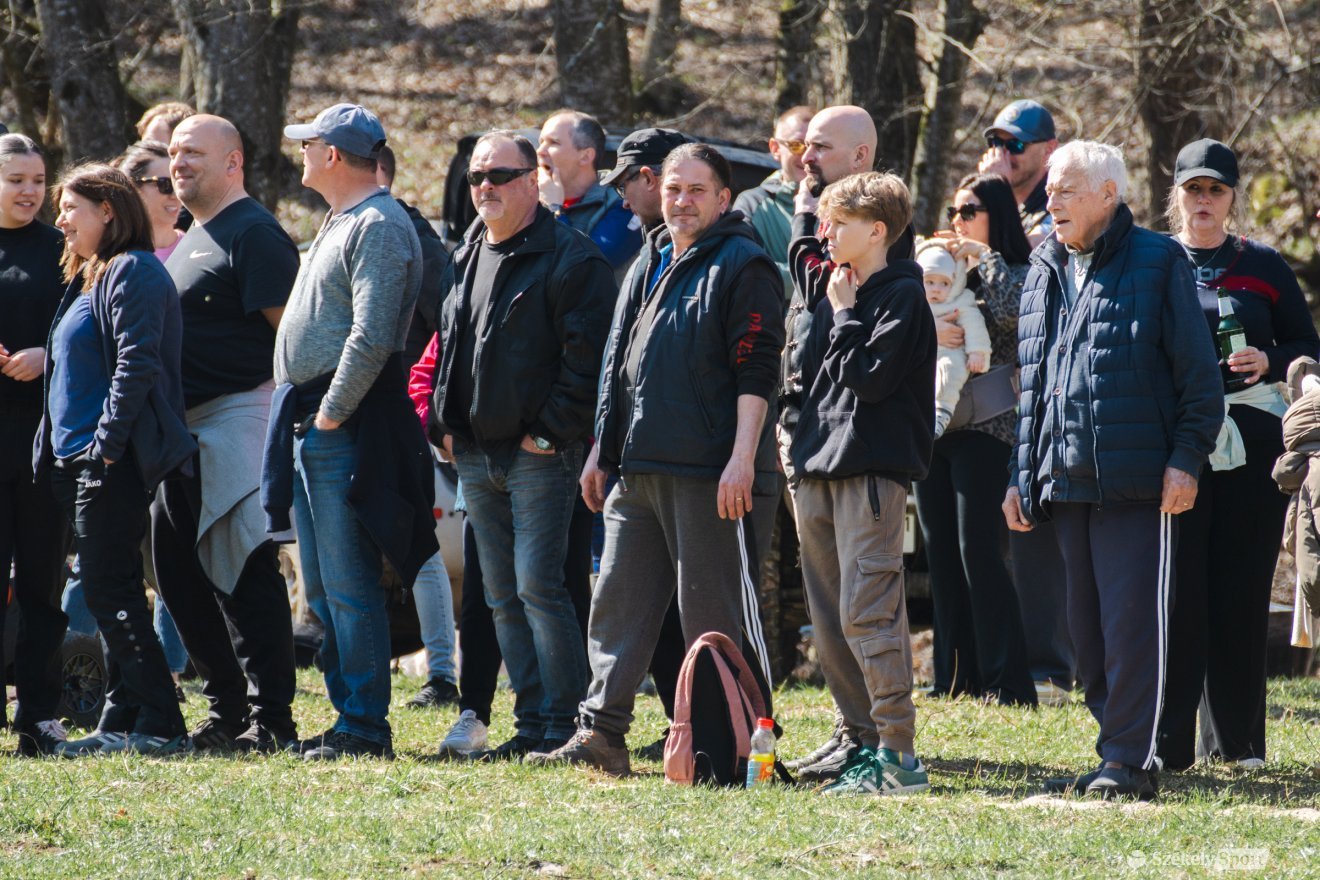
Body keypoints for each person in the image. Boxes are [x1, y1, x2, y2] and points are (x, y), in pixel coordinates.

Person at [531, 143, 785, 777]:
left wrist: (742, 461)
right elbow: (621, 365)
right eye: (674, 188)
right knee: (616, 604)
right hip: (636, 471)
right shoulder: (650, 256)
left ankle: (734, 747)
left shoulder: (743, 263)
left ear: (724, 199)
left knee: (715, 616)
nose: (682, 201)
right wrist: (601, 450)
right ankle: (601, 735)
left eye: (697, 190)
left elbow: (758, 370)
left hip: (710, 474)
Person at [1003, 141, 1223, 799]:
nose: (1052, 200)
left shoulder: (1159, 261)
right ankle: (1115, 748)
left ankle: (1132, 757)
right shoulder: (1044, 264)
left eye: (1067, 188)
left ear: (1108, 194)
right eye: (1049, 189)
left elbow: (1198, 377)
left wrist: (1186, 461)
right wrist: (1022, 473)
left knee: (1133, 624)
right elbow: (1033, 384)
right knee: (1087, 633)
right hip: (1065, 481)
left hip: (1138, 482)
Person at [431, 130, 614, 761]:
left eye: (500, 176)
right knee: (501, 593)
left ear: (532, 180)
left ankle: (567, 721)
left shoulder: (573, 258)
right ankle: (533, 720)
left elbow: (587, 363)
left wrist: (549, 433)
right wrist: (444, 424)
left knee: (540, 585)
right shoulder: (467, 251)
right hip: (477, 452)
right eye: (477, 177)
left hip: (541, 453)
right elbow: (451, 347)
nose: (485, 188)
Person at [272, 102, 432, 760]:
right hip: (314, 421)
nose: (301, 155)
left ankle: (365, 727)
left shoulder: (380, 222)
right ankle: (348, 718)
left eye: (307, 145)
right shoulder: (344, 219)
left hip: (342, 423)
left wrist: (332, 412)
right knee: (325, 583)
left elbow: (371, 335)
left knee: (349, 580)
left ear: (333, 155)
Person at [1157, 139, 1319, 771]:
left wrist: (1269, 360)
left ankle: (1238, 744)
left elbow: (1308, 342)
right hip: (1179, 444)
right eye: (1193, 189)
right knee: (1178, 594)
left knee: (1241, 589)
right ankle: (1169, 745)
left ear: (1232, 197)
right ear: (1176, 195)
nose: (1203, 200)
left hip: (1250, 440)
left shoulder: (1263, 264)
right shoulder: (1154, 260)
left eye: (1215, 190)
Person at [144, 115, 302, 753]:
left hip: (236, 421)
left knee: (243, 573)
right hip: (180, 433)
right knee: (177, 574)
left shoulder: (255, 233)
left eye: (194, 154)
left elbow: (289, 337)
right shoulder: (193, 234)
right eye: (175, 153)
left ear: (234, 162)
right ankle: (228, 712)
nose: (178, 163)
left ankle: (272, 723)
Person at [37, 164, 196, 756]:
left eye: (71, 207)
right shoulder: (92, 274)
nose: (61, 220)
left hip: (111, 460)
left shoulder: (134, 269)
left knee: (108, 589)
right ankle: (123, 719)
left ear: (108, 211)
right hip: (77, 458)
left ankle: (161, 722)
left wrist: (103, 449)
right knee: (114, 588)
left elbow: (137, 366)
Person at [785, 170, 935, 795]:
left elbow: (869, 379)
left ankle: (898, 756)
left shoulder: (902, 296)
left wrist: (845, 314)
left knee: (869, 614)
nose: (827, 233)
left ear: (876, 232)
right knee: (829, 622)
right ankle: (862, 743)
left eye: (839, 223)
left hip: (870, 475)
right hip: (817, 469)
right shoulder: (835, 285)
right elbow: (803, 265)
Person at [913, 174, 1038, 707]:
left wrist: (982, 255)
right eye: (954, 210)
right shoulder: (936, 271)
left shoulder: (1017, 268)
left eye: (970, 210)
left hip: (990, 424)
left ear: (996, 216)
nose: (958, 219)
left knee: (979, 551)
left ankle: (1007, 682)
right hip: (935, 424)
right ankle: (953, 678)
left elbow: (1013, 312)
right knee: (939, 552)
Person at [375, 144, 459, 710]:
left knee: (422, 551)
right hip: (355, 421)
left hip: (407, 424)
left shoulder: (416, 242)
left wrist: (430, 414)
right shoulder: (346, 233)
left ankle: (443, 673)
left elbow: (448, 333)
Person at [0, 134, 72, 755]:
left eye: (38, 179)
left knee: (43, 578)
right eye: (16, 179)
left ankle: (40, 712)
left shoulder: (62, 252)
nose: (30, 191)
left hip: (43, 441)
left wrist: (46, 357)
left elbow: (87, 333)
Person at [537, 109, 641, 271]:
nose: (540, 151)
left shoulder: (623, 204)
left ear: (585, 156)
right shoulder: (530, 200)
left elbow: (588, 268)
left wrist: (553, 209)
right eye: (541, 141)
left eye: (553, 143)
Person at [733, 105, 814, 293]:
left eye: (816, 145)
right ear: (775, 148)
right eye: (797, 145)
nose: (806, 155)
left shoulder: (839, 201)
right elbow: (748, 271)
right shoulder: (752, 204)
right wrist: (820, 278)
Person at [916, 242, 991, 437]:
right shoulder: (913, 300)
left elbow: (974, 323)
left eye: (944, 283)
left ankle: (942, 413)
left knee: (950, 372)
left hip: (951, 352)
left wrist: (977, 351)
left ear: (955, 282)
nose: (936, 289)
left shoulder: (960, 300)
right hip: (921, 355)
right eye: (930, 282)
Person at [978, 99, 1059, 245]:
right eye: (996, 143)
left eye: (1015, 145)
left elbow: (1026, 254)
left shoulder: (1057, 203)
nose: (1003, 154)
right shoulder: (1004, 201)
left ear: (1049, 149)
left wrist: (997, 191)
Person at [121, 141, 184, 260]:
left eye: (178, 183)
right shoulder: (120, 257)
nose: (175, 195)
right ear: (133, 188)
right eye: (164, 184)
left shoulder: (196, 247)